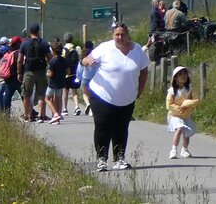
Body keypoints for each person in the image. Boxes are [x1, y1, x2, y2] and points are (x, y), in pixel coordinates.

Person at [81, 22, 149, 172]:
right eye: (117, 34)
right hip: (102, 95)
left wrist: (140, 89)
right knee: (103, 126)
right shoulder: (105, 48)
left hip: (127, 97)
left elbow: (144, 71)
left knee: (121, 127)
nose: (120, 37)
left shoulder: (137, 50)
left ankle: (119, 158)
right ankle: (101, 159)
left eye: (122, 34)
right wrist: (87, 62)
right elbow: (85, 60)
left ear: (127, 34)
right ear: (113, 35)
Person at [166, 65, 200, 158]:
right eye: (180, 74)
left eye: (184, 73)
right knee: (179, 129)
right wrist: (179, 108)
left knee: (187, 132)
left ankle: (185, 149)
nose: (183, 76)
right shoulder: (172, 91)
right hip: (175, 115)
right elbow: (169, 105)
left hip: (187, 115)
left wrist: (186, 104)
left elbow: (196, 100)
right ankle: (173, 150)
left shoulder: (190, 89)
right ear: (175, 78)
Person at [20, 23, 51, 123]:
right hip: (41, 71)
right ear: (38, 31)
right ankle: (41, 116)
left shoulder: (24, 43)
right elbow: (50, 58)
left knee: (26, 94)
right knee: (41, 93)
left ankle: (28, 116)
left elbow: (19, 60)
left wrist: (19, 72)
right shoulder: (43, 43)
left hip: (28, 71)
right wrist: (51, 68)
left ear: (30, 32)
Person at [46, 42, 71, 124]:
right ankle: (58, 117)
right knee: (58, 99)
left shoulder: (52, 61)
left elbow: (51, 74)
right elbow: (68, 71)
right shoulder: (64, 60)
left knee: (47, 98)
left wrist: (47, 74)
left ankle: (55, 114)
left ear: (53, 51)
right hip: (61, 82)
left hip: (53, 83)